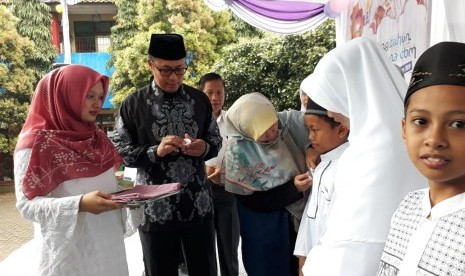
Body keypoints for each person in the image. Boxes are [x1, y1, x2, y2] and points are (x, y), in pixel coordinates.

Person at [300, 37, 425, 275]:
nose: (329, 112)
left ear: (350, 90)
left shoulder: (369, 154)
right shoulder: (397, 141)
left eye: (330, 98)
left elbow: (353, 248)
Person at [112, 33, 222, 276]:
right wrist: (154, 151)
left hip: (198, 204)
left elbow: (215, 139)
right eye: (165, 70)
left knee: (204, 270)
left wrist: (203, 147)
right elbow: (121, 152)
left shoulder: (199, 99)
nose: (174, 77)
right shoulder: (132, 104)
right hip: (155, 209)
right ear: (150, 65)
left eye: (180, 70)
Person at [14, 64, 138, 275]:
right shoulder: (34, 145)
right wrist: (79, 204)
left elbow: (120, 172)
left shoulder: (97, 137)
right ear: (65, 95)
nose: (97, 104)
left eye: (100, 97)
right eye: (89, 95)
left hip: (109, 248)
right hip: (73, 255)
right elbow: (27, 205)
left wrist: (138, 189)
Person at [377, 41, 465, 275]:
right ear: (404, 129)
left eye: (458, 124)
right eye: (421, 122)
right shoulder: (408, 206)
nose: (435, 139)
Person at [225, 92, 310, 276]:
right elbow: (252, 201)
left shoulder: (287, 125)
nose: (273, 135)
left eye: (273, 127)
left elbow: (317, 126)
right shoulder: (238, 153)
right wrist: (292, 189)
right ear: (248, 133)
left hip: (294, 222)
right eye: (264, 134)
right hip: (263, 229)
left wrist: (311, 149)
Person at [293, 98, 349, 276]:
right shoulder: (322, 163)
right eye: (308, 130)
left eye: (315, 130)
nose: (310, 137)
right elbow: (311, 219)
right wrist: (303, 255)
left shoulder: (346, 168)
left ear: (341, 129)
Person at [199, 73, 240, 276]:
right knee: (203, 251)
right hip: (200, 193)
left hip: (227, 191)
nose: (215, 98)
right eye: (209, 93)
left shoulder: (233, 122)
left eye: (219, 93)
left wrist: (227, 170)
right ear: (200, 94)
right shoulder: (192, 123)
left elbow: (244, 154)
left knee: (229, 248)